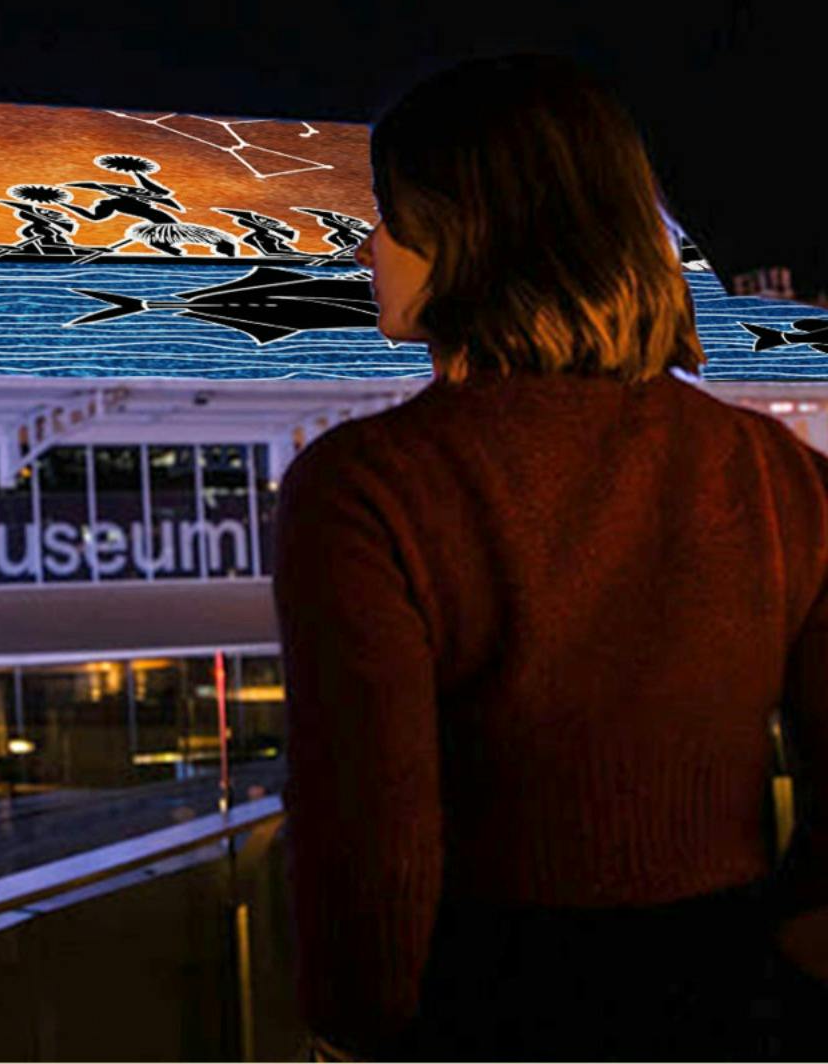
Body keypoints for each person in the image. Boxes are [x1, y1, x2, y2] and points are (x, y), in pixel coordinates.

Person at [272, 52, 828, 1061]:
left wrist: (354, 1029)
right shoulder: (777, 474)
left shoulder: (366, 487)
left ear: (472, 230)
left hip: (484, 1011)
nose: (364, 250)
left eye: (389, 214)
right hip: (741, 1006)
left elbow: (369, 848)